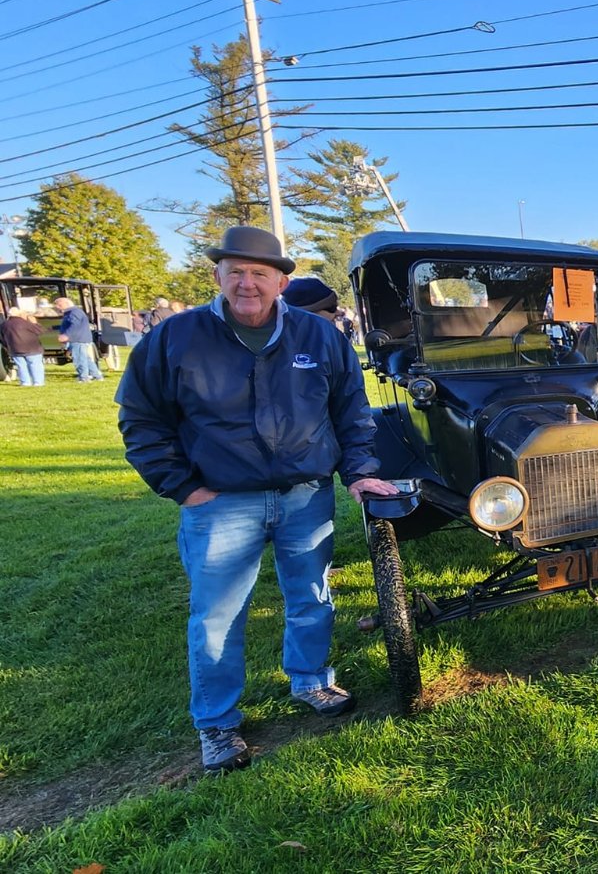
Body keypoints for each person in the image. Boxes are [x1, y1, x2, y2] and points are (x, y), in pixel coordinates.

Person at [116, 226, 398, 774]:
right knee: (217, 615)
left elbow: (351, 410)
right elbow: (141, 418)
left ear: (281, 282)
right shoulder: (176, 336)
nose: (248, 283)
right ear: (217, 275)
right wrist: (182, 486)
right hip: (221, 503)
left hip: (305, 496)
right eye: (237, 272)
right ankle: (217, 722)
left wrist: (360, 472)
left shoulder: (318, 336)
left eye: (260, 273)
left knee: (312, 597)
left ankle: (311, 681)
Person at [52, 296, 103, 382]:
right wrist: (53, 328)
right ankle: (97, 376)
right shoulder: (72, 312)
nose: (57, 307)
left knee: (79, 359)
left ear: (67, 303)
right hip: (79, 338)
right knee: (85, 358)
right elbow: (67, 324)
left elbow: (74, 325)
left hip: (78, 339)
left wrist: (66, 335)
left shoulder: (74, 312)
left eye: (59, 305)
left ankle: (84, 378)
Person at [2, 307, 46, 386]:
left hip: (14, 349)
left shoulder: (4, 325)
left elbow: (2, 338)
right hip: (32, 348)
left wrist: (7, 346)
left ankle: (25, 382)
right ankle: (38, 382)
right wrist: (35, 323)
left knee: (21, 366)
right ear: (20, 314)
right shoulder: (26, 323)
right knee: (35, 364)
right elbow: (40, 331)